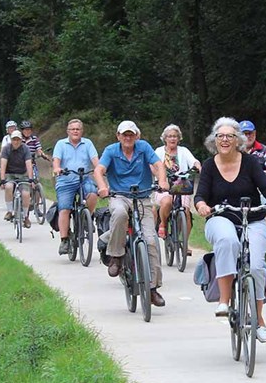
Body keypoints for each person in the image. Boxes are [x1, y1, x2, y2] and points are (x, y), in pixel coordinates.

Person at [194, 117, 266, 343]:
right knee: (228, 241)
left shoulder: (249, 163)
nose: (225, 140)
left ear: (238, 140)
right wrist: (202, 206)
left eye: (230, 136)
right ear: (214, 141)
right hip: (220, 217)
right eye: (220, 136)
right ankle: (224, 300)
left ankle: (259, 319)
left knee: (256, 266)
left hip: (253, 218)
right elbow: (200, 195)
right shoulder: (209, 166)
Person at [94, 121, 169, 307]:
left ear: (137, 136)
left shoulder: (143, 148)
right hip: (119, 195)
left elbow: (159, 164)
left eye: (131, 134)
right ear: (118, 136)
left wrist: (162, 181)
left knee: (151, 241)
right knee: (119, 213)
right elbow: (99, 170)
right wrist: (103, 186)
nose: (128, 138)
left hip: (142, 197)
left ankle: (152, 289)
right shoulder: (111, 150)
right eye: (124, 134)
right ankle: (116, 256)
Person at [52, 118, 100, 255]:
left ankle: (87, 219)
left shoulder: (88, 143)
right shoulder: (61, 144)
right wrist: (57, 168)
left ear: (82, 131)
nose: (75, 131)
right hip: (66, 180)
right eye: (72, 129)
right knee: (64, 208)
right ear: (68, 131)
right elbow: (56, 161)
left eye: (77, 129)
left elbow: (95, 161)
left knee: (92, 193)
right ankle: (64, 240)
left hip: (84, 178)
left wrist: (100, 168)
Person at [153, 124, 201, 251]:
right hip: (163, 185)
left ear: (179, 138)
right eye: (170, 136)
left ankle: (184, 243)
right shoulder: (158, 151)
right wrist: (159, 176)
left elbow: (194, 161)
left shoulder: (184, 151)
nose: (172, 139)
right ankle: (162, 224)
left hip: (181, 185)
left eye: (175, 136)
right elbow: (151, 165)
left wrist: (198, 166)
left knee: (185, 211)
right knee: (167, 201)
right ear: (165, 138)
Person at [0, 130, 35, 228]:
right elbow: (3, 164)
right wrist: (2, 180)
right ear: (11, 140)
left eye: (18, 139)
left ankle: (26, 216)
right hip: (10, 173)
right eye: (14, 139)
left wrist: (31, 179)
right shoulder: (6, 149)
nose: (16, 142)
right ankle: (10, 211)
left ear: (21, 140)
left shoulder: (25, 149)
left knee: (26, 194)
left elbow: (28, 164)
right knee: (9, 187)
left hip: (23, 174)